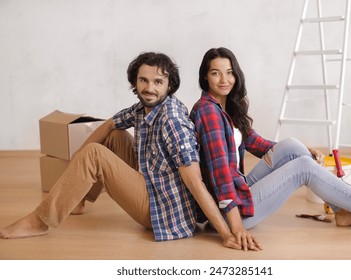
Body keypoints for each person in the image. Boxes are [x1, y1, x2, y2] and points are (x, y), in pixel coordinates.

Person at [0, 52, 244, 250]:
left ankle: (40, 221)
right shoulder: (144, 106)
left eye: (158, 82)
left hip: (163, 211)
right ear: (135, 82)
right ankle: (79, 199)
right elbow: (110, 124)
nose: (150, 88)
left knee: (94, 154)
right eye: (144, 80)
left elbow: (195, 183)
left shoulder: (173, 121)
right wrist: (75, 161)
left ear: (170, 86)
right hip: (153, 182)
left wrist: (225, 233)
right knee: (113, 136)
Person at [190, 47, 351, 251]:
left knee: (292, 146)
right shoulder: (208, 112)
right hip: (229, 212)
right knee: (302, 167)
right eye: (216, 73)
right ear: (205, 77)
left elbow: (257, 143)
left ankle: (343, 211)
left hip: (239, 190)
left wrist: (302, 149)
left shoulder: (225, 106)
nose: (224, 79)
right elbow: (220, 175)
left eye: (230, 72)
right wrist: (236, 228)